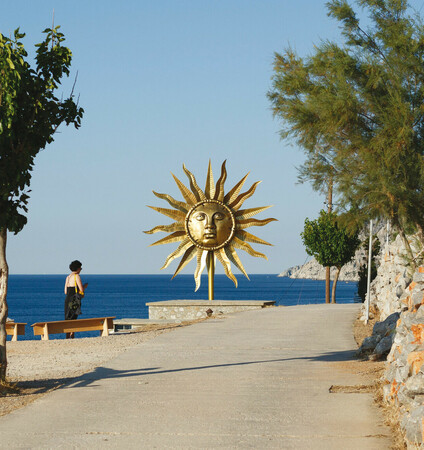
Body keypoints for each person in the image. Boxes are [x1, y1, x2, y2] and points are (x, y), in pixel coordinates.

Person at [64, 260, 88, 338]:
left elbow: (65, 291)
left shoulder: (68, 277)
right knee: (73, 318)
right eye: (80, 268)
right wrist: (85, 286)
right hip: (74, 300)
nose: (81, 269)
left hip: (67, 300)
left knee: (67, 319)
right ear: (77, 268)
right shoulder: (77, 276)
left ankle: (67, 336)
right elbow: (81, 289)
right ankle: (72, 336)